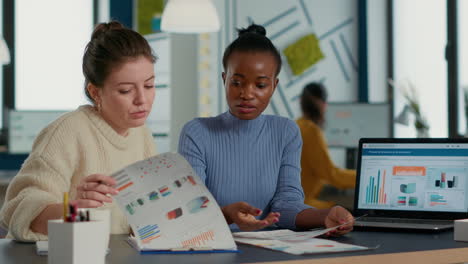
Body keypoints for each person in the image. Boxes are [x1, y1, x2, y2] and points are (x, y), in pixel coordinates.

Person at [178, 24, 354, 235]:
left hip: (270, 249)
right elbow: (190, 210)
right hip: (212, 248)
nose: (247, 94)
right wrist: (227, 214)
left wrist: (325, 215)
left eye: (260, 85)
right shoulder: (196, 133)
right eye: (237, 82)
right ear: (224, 80)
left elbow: (287, 206)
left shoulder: (286, 132)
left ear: (274, 85)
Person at [0, 21, 157, 241]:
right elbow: (17, 210)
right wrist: (75, 209)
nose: (142, 99)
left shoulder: (142, 135)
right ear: (95, 92)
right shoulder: (67, 132)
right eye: (126, 90)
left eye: (149, 85)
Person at [296, 83, 356, 209]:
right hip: (299, 204)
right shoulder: (311, 130)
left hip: (293, 200)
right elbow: (333, 176)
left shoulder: (297, 125)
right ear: (323, 105)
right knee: (339, 210)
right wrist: (364, 176)